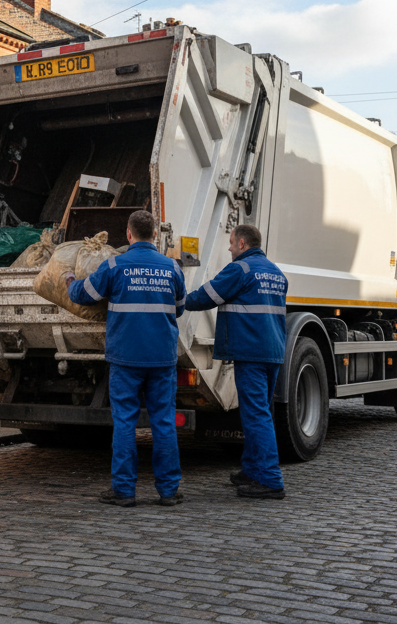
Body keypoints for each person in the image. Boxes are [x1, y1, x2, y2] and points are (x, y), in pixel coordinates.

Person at [67, 210, 186, 508]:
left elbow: (84, 295)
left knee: (124, 423)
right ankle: (169, 491)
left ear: (129, 234)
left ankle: (124, 491)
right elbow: (180, 307)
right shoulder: (172, 267)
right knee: (163, 423)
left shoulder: (115, 264)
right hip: (161, 358)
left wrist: (70, 280)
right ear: (154, 235)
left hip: (126, 358)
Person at [184, 224, 289, 500]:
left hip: (250, 352)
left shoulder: (239, 270)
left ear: (242, 243)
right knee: (259, 412)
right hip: (273, 351)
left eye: (231, 243)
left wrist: (179, 301)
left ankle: (270, 479)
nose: (229, 248)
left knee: (256, 416)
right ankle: (252, 469)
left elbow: (207, 295)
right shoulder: (275, 272)